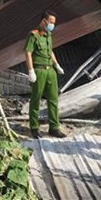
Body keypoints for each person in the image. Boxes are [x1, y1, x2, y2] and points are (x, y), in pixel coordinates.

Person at [25, 11, 66, 139]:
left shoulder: (48, 35)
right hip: (39, 71)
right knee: (36, 100)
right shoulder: (33, 35)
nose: (52, 25)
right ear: (44, 21)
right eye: (51, 22)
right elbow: (28, 53)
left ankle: (54, 128)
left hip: (50, 71)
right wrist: (31, 70)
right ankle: (34, 128)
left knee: (53, 100)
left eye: (54, 23)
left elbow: (50, 51)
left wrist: (57, 65)